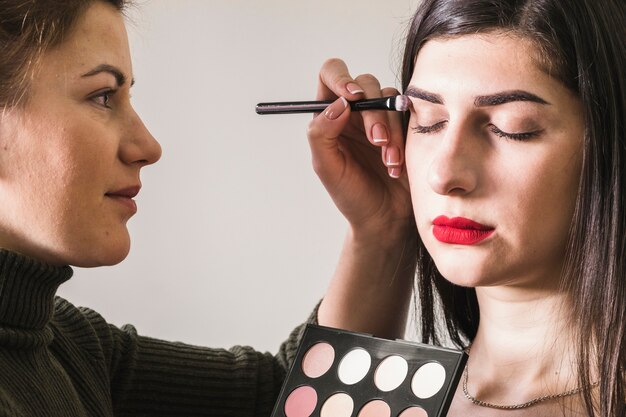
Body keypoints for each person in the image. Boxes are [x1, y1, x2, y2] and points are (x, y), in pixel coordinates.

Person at [0, 0, 418, 416]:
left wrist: (380, 224)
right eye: (103, 96)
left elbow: (286, 397)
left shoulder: (72, 345)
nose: (149, 147)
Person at [306, 0, 625, 415]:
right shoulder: (375, 400)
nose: (444, 174)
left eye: (512, 128)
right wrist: (380, 226)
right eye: (428, 121)